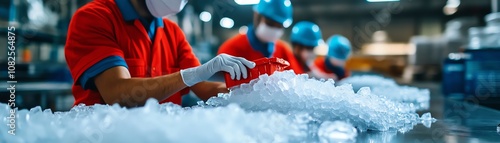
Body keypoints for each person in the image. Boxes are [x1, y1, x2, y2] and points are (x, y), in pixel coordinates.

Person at [64, 0, 255, 107]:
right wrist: (192, 74)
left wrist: (251, 90)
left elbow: (203, 87)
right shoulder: (95, 18)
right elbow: (117, 94)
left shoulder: (173, 32)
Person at [217, 0, 303, 74]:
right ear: (257, 16)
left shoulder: (283, 50)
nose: (274, 29)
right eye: (270, 23)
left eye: (279, 26)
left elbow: (298, 79)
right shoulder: (230, 49)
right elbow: (221, 86)